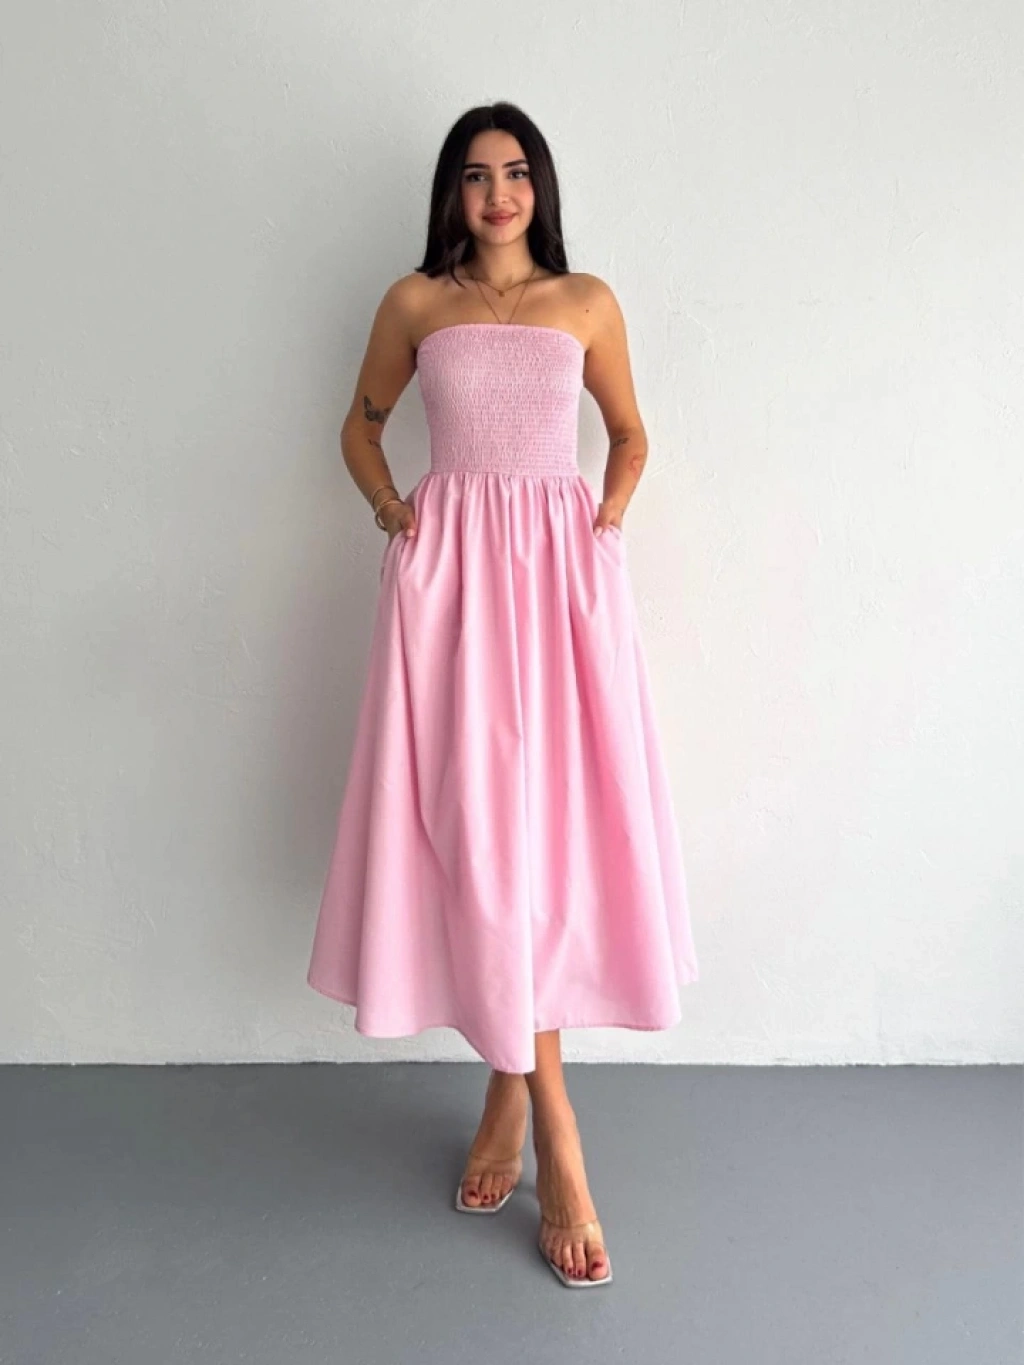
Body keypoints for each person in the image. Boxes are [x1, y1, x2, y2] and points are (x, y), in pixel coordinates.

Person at [307, 101, 699, 1288]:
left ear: (540, 186)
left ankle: (516, 1104)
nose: (497, 194)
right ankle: (549, 1123)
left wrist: (602, 529)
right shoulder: (413, 304)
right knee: (480, 837)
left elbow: (628, 434)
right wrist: (397, 514)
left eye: (516, 172)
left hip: (560, 593)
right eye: (476, 175)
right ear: (451, 192)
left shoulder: (586, 302)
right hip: (451, 592)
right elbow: (359, 430)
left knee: (543, 841)